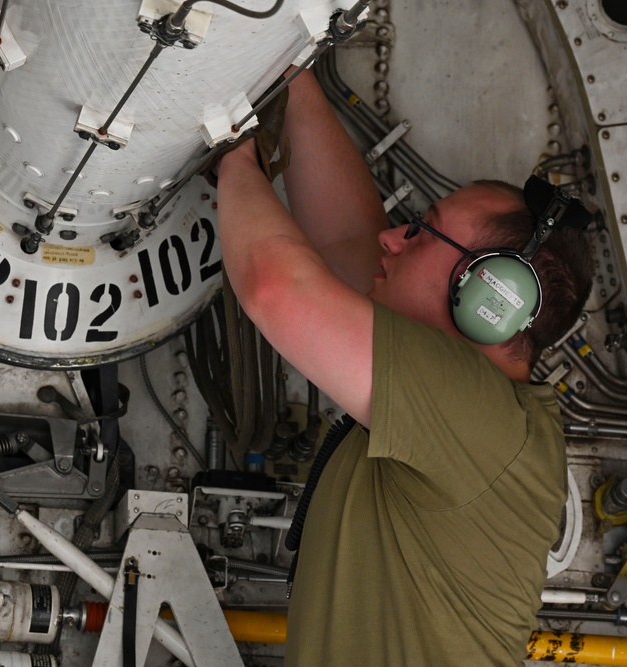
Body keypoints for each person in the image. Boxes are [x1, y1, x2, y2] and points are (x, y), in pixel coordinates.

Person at [216, 68, 593, 666]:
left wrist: (231, 149)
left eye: (422, 231)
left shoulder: (480, 419)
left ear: (490, 298)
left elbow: (275, 288)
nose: (394, 237)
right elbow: (348, 239)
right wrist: (289, 74)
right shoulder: (474, 408)